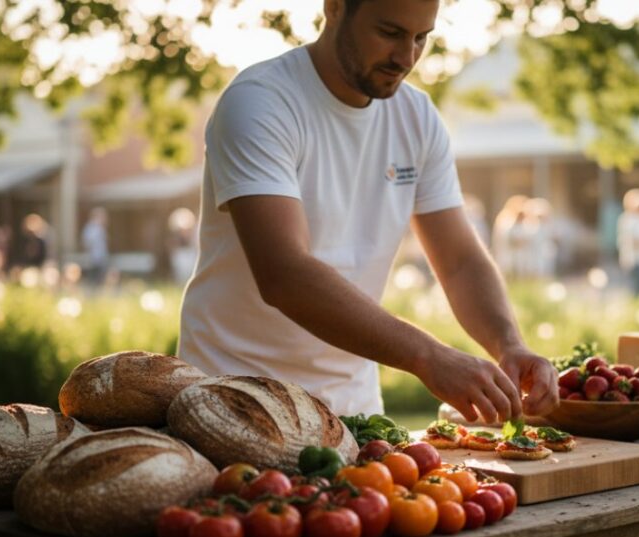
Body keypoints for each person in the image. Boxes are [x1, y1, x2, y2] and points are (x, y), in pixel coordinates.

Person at [178, 0, 557, 423]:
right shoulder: (260, 102)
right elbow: (284, 273)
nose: (406, 57)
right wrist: (428, 357)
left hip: (353, 412)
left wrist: (509, 345)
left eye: (421, 38)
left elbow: (461, 262)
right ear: (335, 7)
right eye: (390, 33)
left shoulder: (417, 117)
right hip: (235, 401)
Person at [81, 207, 110, 285]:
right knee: (95, 281)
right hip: (95, 259)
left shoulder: (99, 228)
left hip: (100, 258)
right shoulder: (92, 229)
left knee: (100, 280)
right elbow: (88, 243)